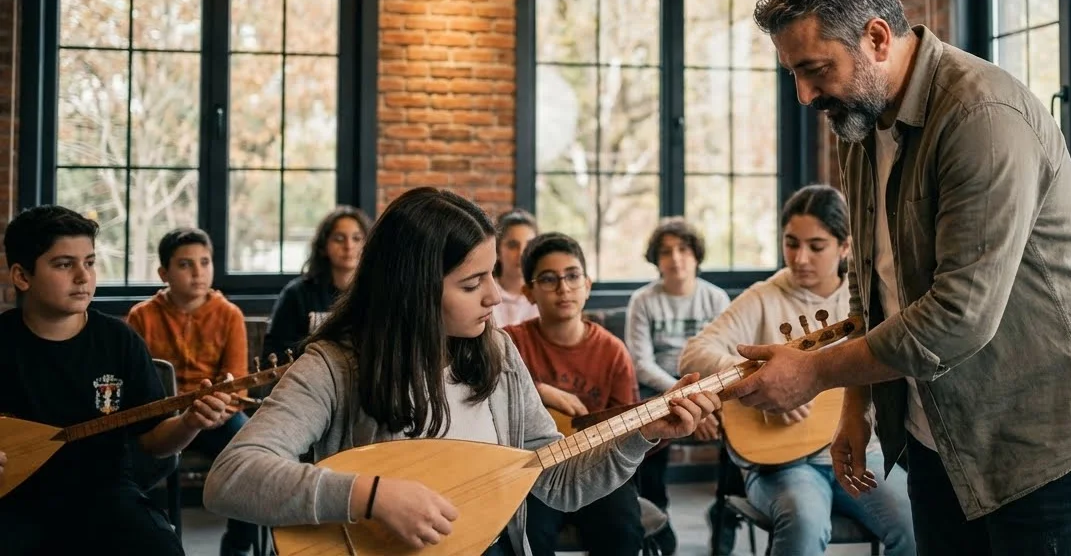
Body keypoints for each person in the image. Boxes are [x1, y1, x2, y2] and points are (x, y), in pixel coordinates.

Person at [723, 0, 1071, 555]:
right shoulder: (860, 122)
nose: (804, 95)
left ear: (875, 38)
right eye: (794, 73)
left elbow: (957, 317)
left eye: (815, 68)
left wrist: (814, 372)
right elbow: (870, 281)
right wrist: (855, 403)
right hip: (939, 429)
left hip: (1045, 434)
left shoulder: (982, 115)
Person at [203, 187, 720, 555]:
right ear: (414, 290)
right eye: (472, 284)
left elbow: (555, 479)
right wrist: (372, 496)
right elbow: (231, 477)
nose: (496, 295)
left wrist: (640, 434)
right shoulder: (335, 365)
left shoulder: (497, 353)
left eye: (492, 274)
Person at [681, 185, 917, 556]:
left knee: (914, 523)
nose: (800, 257)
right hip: (780, 462)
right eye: (791, 243)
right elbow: (694, 353)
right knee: (804, 524)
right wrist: (760, 379)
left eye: (816, 246)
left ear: (845, 247)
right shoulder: (764, 295)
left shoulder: (872, 299)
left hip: (860, 453)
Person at [0, 205, 237, 556]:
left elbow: (154, 441)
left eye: (90, 262)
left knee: (161, 548)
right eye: (64, 264)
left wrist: (190, 422)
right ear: (22, 276)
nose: (83, 277)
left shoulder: (118, 340)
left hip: (106, 493)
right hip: (17, 499)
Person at [504, 232, 643, 556]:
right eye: (549, 279)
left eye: (572, 276)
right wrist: (537, 391)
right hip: (533, 474)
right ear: (529, 292)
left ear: (588, 284)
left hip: (596, 467)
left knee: (623, 530)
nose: (563, 288)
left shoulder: (613, 352)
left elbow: (626, 431)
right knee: (525, 535)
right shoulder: (509, 344)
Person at [127, 226, 256, 556]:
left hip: (218, 415)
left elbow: (237, 386)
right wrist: (176, 421)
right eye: (185, 264)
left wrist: (209, 414)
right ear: (163, 272)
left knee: (253, 456)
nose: (198, 272)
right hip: (160, 417)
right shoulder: (142, 316)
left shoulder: (229, 315)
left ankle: (238, 546)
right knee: (124, 459)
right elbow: (136, 384)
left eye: (205, 262)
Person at [624, 216, 730, 551]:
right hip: (660, 391)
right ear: (656, 260)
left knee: (743, 428)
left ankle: (726, 512)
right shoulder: (643, 300)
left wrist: (700, 398)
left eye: (683, 249)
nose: (675, 258)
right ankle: (657, 519)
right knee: (646, 428)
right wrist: (681, 396)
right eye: (666, 251)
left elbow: (726, 355)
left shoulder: (716, 299)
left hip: (710, 388)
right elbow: (641, 363)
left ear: (696, 255)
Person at [262, 204, 370, 362]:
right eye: (339, 239)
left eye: (357, 238)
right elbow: (275, 354)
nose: (348, 246)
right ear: (323, 247)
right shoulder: (296, 294)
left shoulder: (377, 292)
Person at [492, 208, 540, 328]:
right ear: (497, 250)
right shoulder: (485, 296)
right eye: (513, 245)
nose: (521, 253)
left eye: (529, 245)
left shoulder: (543, 296)